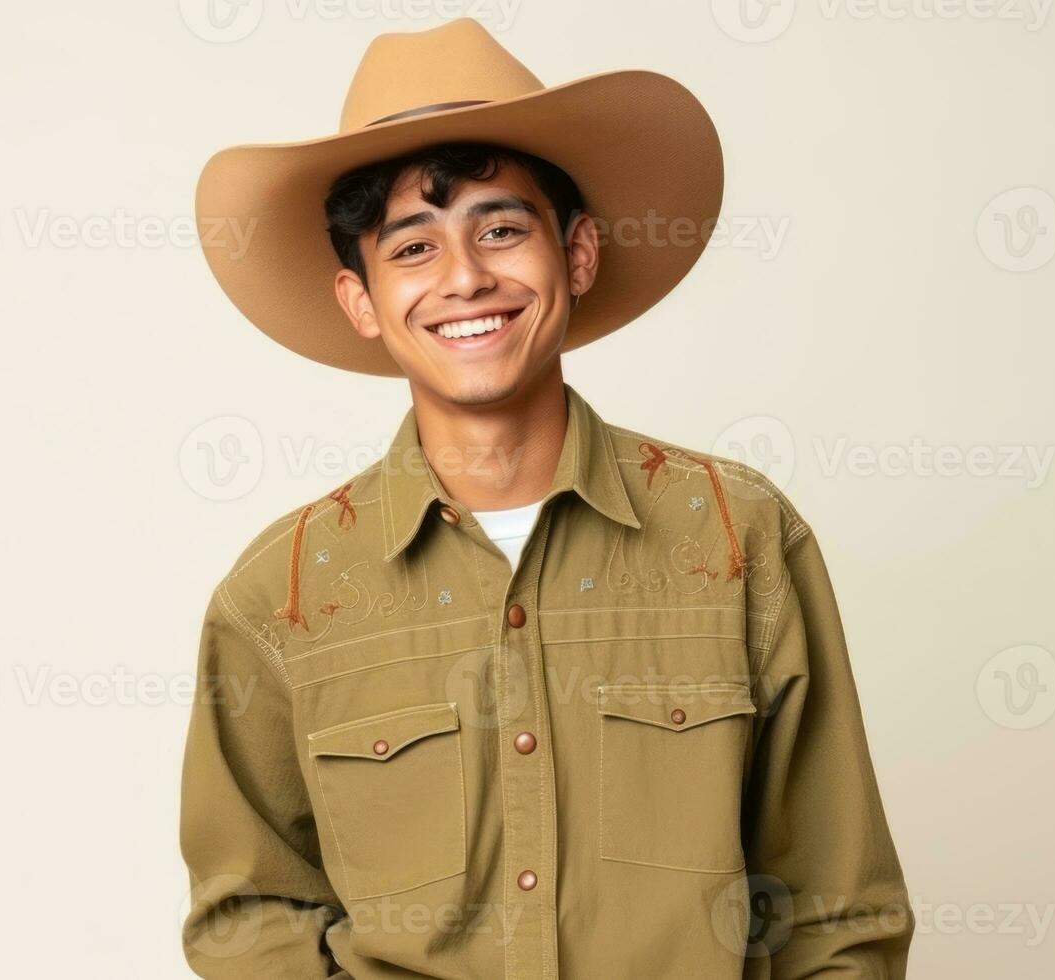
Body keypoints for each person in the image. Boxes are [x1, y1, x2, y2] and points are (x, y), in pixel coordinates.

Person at [180, 18, 914, 979]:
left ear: (575, 256)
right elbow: (249, 913)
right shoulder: (281, 591)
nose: (465, 277)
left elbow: (836, 910)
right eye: (411, 248)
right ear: (359, 301)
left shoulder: (736, 537)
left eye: (499, 228)